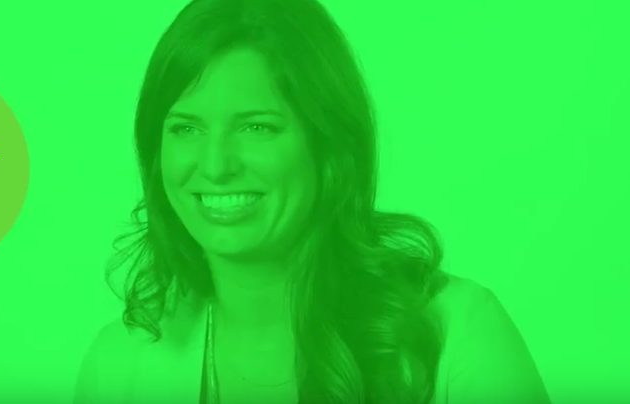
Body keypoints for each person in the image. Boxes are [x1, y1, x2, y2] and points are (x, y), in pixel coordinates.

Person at [74, 0, 551, 403]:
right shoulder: (117, 366)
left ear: (328, 145)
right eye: (186, 128)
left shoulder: (459, 336)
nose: (216, 165)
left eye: (256, 127)